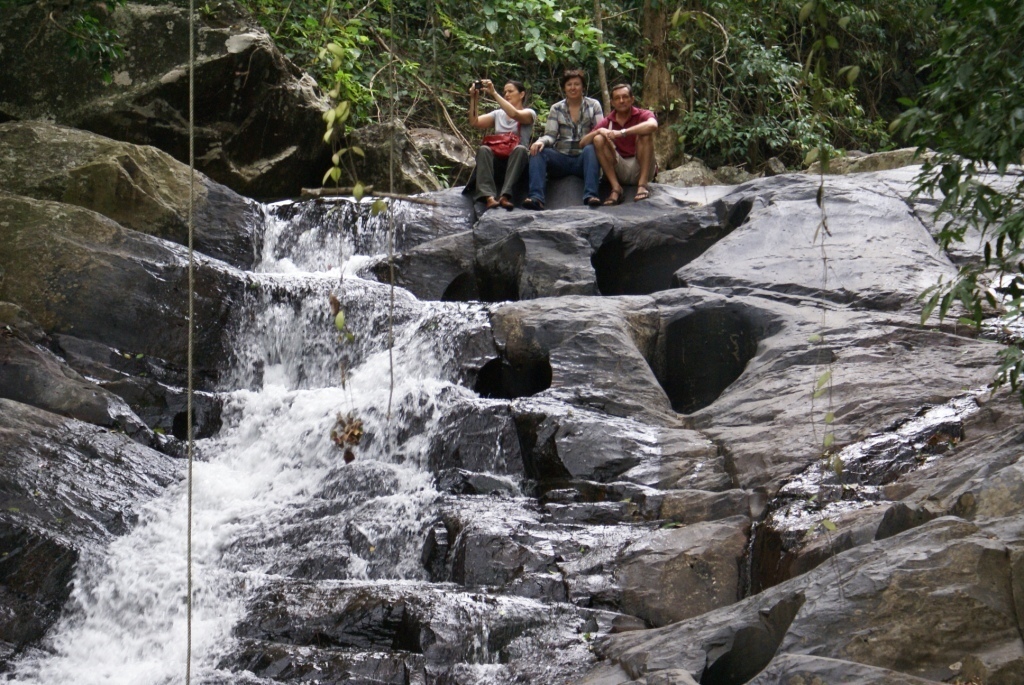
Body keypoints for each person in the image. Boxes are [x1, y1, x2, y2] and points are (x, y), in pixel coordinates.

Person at [523, 68, 604, 210]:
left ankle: (591, 195)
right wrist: (540, 141)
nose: (573, 88)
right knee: (538, 151)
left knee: (591, 148)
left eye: (577, 84)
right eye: (569, 85)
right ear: (564, 88)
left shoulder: (593, 105)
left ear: (583, 87)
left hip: (583, 158)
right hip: (561, 158)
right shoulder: (556, 108)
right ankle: (536, 197)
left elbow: (599, 131)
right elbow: (551, 135)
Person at [467, 78, 536, 210]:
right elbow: (475, 122)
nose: (507, 94)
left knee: (520, 149)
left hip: (516, 163)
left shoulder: (529, 113)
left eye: (510, 91)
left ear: (521, 94)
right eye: (505, 92)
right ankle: (489, 197)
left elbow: (514, 113)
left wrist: (494, 93)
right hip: (497, 162)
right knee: (484, 149)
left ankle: (505, 196)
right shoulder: (498, 114)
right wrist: (473, 98)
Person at [592, 83, 658, 203]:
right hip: (619, 169)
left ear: (632, 99)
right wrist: (599, 130)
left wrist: (622, 132)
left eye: (625, 97)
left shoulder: (643, 114)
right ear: (612, 102)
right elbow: (583, 143)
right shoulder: (608, 120)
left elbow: (653, 125)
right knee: (598, 139)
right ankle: (616, 188)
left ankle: (642, 185)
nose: (621, 101)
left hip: (641, 166)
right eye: (617, 98)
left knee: (645, 134)